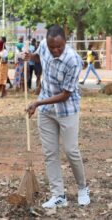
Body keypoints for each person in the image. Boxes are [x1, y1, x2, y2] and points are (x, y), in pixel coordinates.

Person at [25, 25, 90, 209]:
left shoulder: (73, 60)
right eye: (52, 46)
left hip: (66, 109)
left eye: (59, 47)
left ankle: (83, 188)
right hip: (47, 110)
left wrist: (37, 103)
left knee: (71, 150)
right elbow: (39, 56)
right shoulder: (45, 46)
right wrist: (30, 57)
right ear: (46, 41)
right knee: (50, 153)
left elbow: (65, 95)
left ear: (65, 42)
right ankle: (58, 195)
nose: (55, 50)